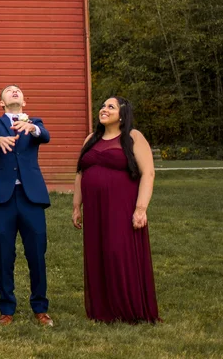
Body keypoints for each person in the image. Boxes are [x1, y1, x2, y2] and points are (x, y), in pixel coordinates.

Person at [74, 96, 159, 323]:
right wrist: (76, 206)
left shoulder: (133, 137)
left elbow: (148, 174)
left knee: (118, 251)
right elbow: (80, 173)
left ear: (122, 114)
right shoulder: (91, 139)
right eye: (103, 106)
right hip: (94, 210)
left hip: (121, 206)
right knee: (97, 252)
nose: (104, 109)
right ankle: (104, 309)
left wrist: (141, 209)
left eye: (110, 107)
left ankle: (128, 307)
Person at [0, 85, 54, 326]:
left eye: (18, 90)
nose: (14, 91)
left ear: (24, 100)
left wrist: (32, 127)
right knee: (4, 254)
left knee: (36, 253)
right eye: (9, 90)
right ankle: (6, 309)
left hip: (31, 197)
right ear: (1, 102)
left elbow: (45, 135)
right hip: (2, 198)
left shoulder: (35, 123)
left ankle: (40, 308)